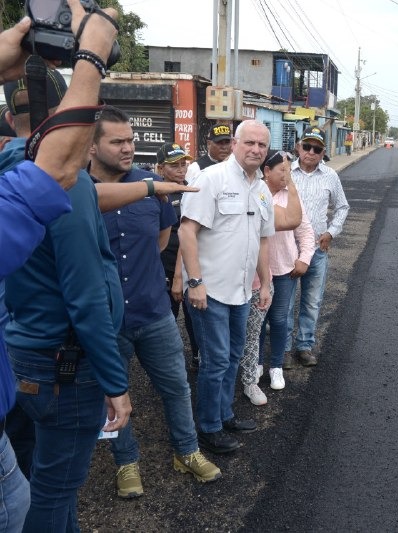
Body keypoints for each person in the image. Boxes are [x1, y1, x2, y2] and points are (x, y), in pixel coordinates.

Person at [1, 3, 133, 531]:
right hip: (65, 366)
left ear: (12, 117)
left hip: (23, 355)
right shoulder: (65, 182)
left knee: (37, 473)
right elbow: (86, 298)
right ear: (73, 125)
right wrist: (116, 381)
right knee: (49, 495)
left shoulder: (7, 173)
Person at [89, 108, 221, 498]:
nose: (128, 147)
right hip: (106, 321)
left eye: (130, 140)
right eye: (117, 141)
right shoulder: (78, 191)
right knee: (114, 397)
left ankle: (188, 451)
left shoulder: (153, 185)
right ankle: (126, 462)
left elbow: (163, 240)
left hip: (155, 312)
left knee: (177, 387)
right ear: (92, 145)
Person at [179, 120, 300, 453]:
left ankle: (224, 414)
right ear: (235, 144)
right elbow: (186, 232)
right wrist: (195, 282)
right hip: (211, 291)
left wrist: (266, 283)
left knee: (233, 356)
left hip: (243, 291)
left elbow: (262, 241)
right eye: (250, 143)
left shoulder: (261, 188)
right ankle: (208, 427)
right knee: (216, 360)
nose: (256, 150)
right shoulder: (212, 179)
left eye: (262, 145)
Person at [239, 150, 314, 405]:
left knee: (279, 319)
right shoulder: (255, 192)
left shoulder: (291, 196)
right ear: (266, 171)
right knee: (256, 320)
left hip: (283, 271)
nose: (286, 175)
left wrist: (304, 258)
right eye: (282, 170)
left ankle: (276, 366)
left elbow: (305, 230)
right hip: (256, 272)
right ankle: (257, 363)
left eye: (289, 170)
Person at [284, 126, 350, 368]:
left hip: (317, 251)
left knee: (312, 301)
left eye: (317, 149)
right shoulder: (286, 172)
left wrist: (331, 232)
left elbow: (342, 207)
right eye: (307, 146)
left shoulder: (330, 176)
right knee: (286, 302)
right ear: (299, 147)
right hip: (288, 249)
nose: (311, 152)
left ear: (323, 153)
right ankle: (284, 348)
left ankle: (304, 345)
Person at [156, 142, 201, 369]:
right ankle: (167, 365)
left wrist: (181, 276)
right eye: (174, 165)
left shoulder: (193, 191)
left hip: (189, 268)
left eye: (184, 164)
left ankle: (197, 356)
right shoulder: (153, 194)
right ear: (160, 169)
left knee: (195, 317)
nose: (181, 169)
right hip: (162, 267)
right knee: (166, 320)